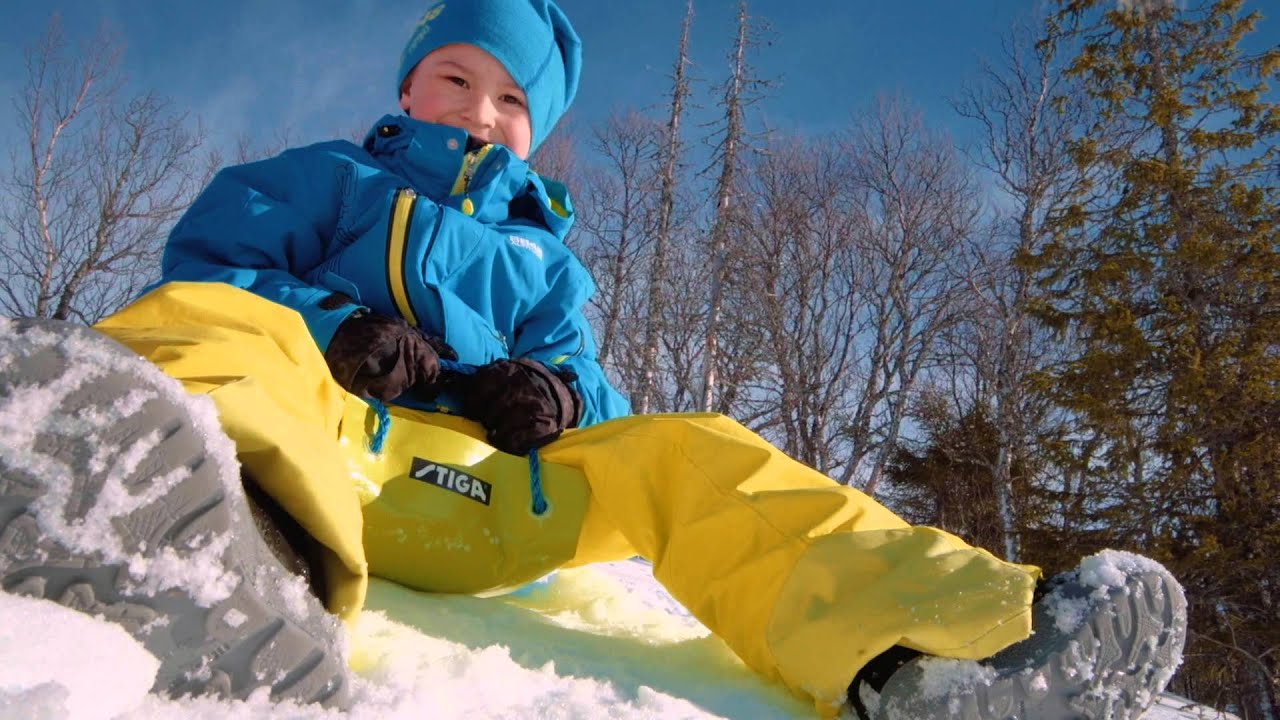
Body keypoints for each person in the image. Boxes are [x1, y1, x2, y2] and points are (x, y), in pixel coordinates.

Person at [0, 1, 1187, 718]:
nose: (477, 108)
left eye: (509, 98)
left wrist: (555, 395)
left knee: (692, 451)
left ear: (535, 127)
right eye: (456, 76)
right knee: (222, 327)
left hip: (486, 503)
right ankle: (226, 565)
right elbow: (206, 271)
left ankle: (956, 653)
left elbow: (601, 401)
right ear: (409, 82)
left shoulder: (550, 266)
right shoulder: (324, 180)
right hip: (320, 461)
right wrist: (333, 328)